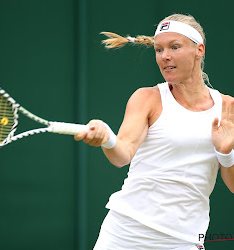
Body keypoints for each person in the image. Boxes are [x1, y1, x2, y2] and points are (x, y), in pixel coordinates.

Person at [74, 13, 234, 250]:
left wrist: (225, 153)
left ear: (199, 50)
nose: (165, 56)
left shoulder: (229, 108)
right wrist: (108, 138)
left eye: (175, 47)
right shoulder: (147, 98)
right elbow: (122, 155)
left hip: (185, 240)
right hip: (124, 234)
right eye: (158, 50)